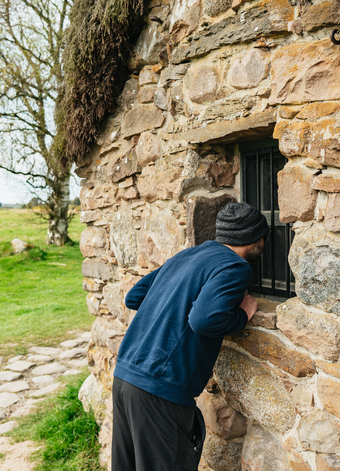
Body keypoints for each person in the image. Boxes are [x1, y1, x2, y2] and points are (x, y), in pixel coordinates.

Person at [111, 201, 268, 471]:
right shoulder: (235, 267)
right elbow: (204, 319)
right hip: (160, 392)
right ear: (253, 239)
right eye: (264, 237)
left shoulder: (186, 256)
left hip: (125, 378)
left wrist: (174, 299)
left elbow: (134, 296)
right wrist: (243, 313)